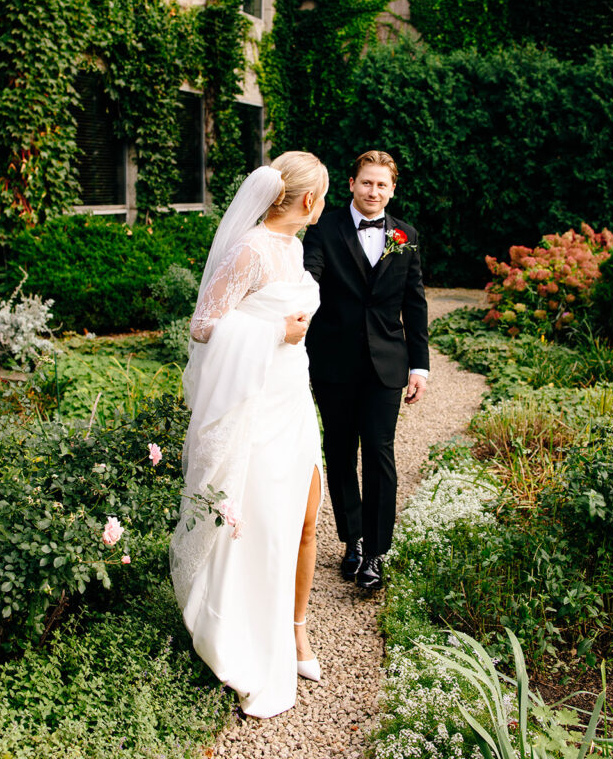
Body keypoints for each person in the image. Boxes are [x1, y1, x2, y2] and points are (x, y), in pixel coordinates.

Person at [170, 152, 328, 719]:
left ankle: (294, 632)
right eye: (325, 195)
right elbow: (204, 324)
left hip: (293, 399)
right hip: (256, 405)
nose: (324, 205)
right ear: (309, 201)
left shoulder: (293, 246)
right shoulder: (249, 248)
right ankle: (242, 631)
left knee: (307, 517)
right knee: (259, 523)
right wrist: (272, 333)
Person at [302, 149, 429, 590]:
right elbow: (309, 280)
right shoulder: (322, 229)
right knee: (339, 451)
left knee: (379, 452)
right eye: (366, 182)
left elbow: (414, 302)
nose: (374, 191)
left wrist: (420, 366)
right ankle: (351, 541)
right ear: (352, 183)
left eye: (382, 184)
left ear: (392, 189)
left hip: (387, 365)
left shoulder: (405, 235)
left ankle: (376, 552)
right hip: (333, 362)